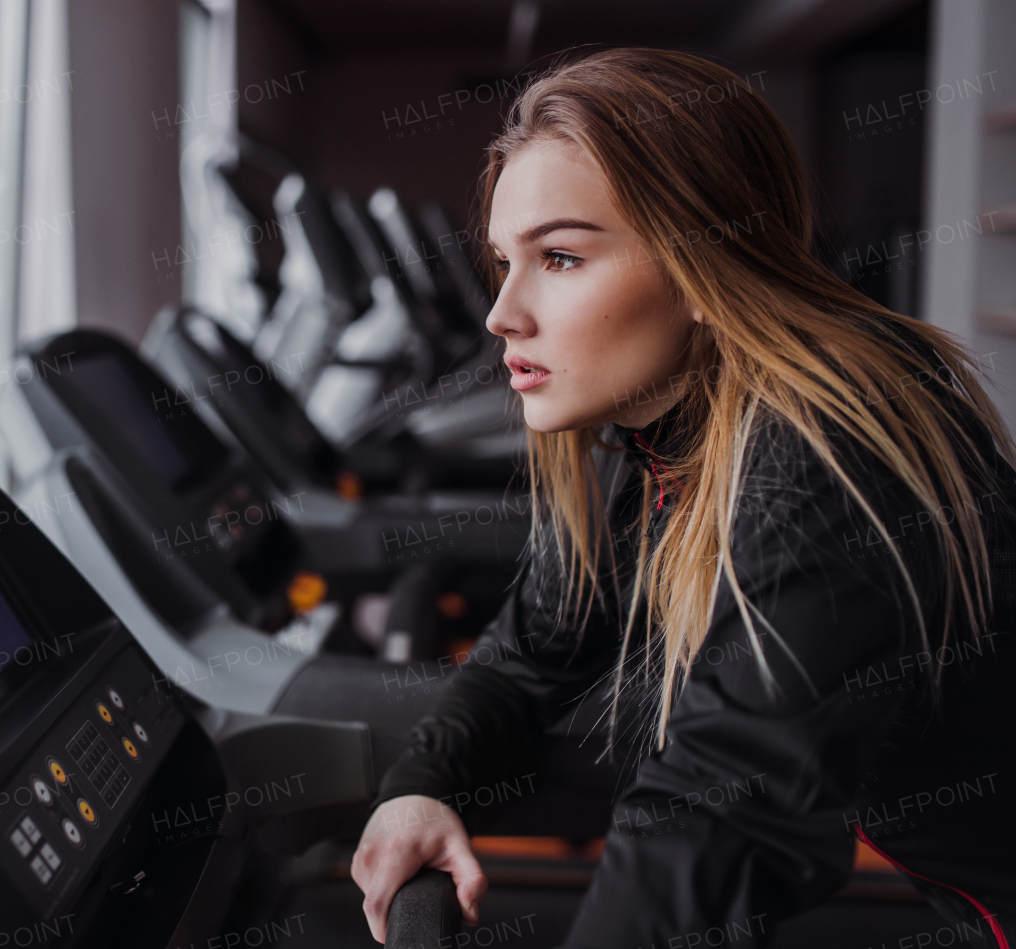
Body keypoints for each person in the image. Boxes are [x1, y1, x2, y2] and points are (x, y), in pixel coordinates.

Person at [350, 48, 1016, 948]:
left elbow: (719, 811)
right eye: (504, 261)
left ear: (705, 261)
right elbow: (535, 651)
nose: (501, 312)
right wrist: (420, 785)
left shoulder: (831, 450)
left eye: (559, 256)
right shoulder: (667, 429)